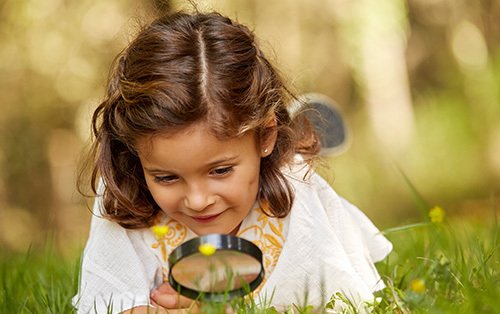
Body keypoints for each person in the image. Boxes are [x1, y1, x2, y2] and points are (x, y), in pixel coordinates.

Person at [73, 11, 392, 314]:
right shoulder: (126, 197)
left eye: (221, 170)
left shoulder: (298, 199)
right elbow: (108, 300)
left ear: (266, 136)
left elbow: (342, 299)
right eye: (167, 178)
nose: (198, 201)